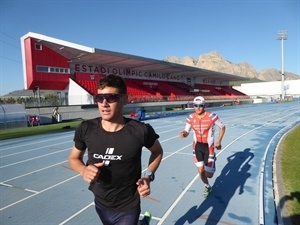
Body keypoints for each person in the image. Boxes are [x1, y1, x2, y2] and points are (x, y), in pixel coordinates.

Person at [68, 74, 163, 225]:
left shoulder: (140, 131)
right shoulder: (85, 129)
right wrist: (83, 170)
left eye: (111, 97)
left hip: (128, 205)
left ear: (124, 99)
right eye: (99, 98)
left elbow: (157, 151)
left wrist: (148, 176)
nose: (104, 103)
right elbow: (74, 158)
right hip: (100, 202)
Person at [179, 96, 225, 197]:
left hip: (209, 147)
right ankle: (207, 186)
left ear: (204, 106)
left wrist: (219, 141)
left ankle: (213, 159)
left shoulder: (211, 116)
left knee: (209, 175)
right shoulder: (190, 118)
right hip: (197, 147)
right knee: (201, 170)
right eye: (195, 105)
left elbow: (222, 127)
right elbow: (187, 131)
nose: (198, 108)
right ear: (193, 106)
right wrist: (184, 133)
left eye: (200, 106)